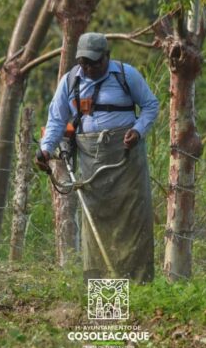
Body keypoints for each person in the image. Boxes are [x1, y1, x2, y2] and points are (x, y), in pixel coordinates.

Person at [36, 32, 159, 283]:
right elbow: (57, 120)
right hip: (91, 160)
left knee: (133, 219)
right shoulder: (70, 81)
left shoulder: (126, 75)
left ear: (107, 57)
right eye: (84, 62)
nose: (89, 68)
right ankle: (102, 286)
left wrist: (137, 130)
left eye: (95, 62)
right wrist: (46, 149)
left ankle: (138, 285)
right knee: (96, 222)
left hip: (126, 158)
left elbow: (150, 105)